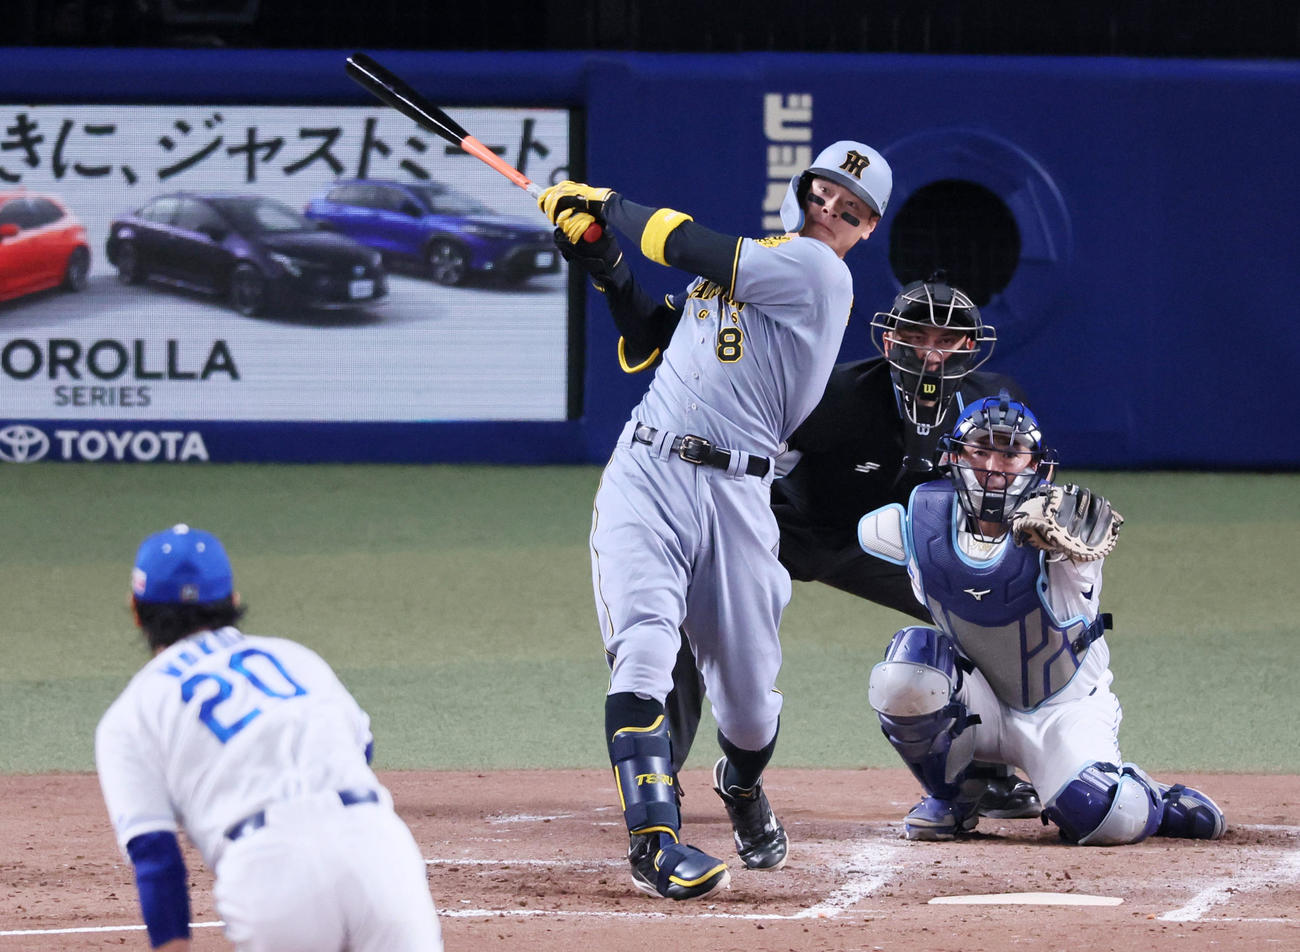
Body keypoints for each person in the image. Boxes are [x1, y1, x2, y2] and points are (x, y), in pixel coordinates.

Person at [537, 140, 893, 899]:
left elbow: (678, 238)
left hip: (737, 498)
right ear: (805, 189)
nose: (831, 212)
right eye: (824, 194)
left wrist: (607, 208)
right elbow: (644, 338)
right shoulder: (753, 262)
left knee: (750, 704)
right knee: (643, 649)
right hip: (647, 472)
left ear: (866, 230)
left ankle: (739, 783)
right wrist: (602, 259)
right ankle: (655, 845)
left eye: (851, 210)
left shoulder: (818, 275)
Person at [855, 395, 1226, 843]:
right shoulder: (915, 522)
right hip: (982, 704)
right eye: (980, 450)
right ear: (954, 457)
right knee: (906, 670)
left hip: (1063, 709)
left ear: (1038, 467)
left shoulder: (1066, 533)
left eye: (1011, 453)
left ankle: (1153, 799)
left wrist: (1062, 541)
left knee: (1108, 817)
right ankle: (954, 795)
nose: (994, 466)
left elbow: (1086, 535)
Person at [95, 524, 443, 951]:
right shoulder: (297, 658)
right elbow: (360, 749)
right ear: (233, 602)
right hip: (378, 848)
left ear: (135, 609)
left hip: (271, 873)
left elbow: (155, 856)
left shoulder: (131, 714)